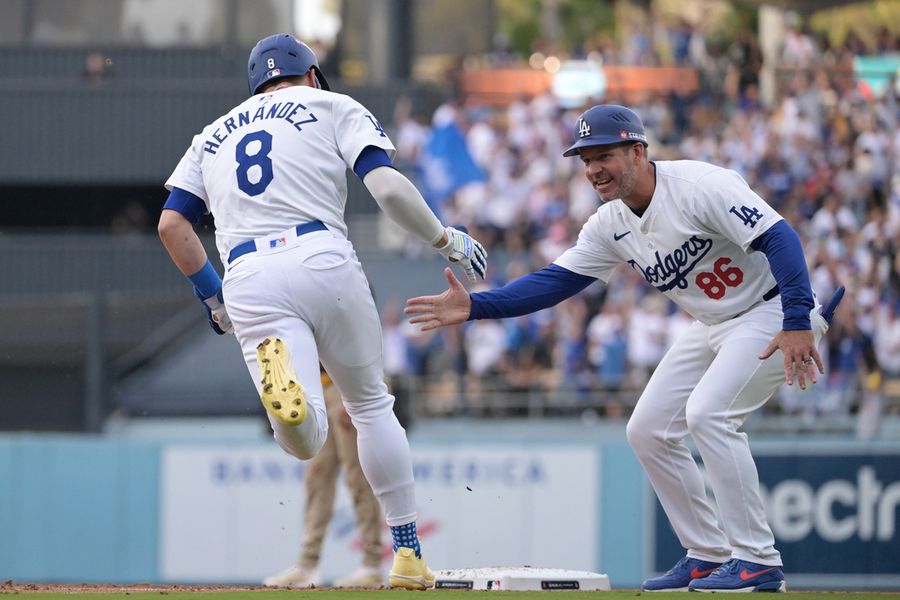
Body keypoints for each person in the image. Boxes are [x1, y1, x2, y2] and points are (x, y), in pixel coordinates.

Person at [406, 104, 841, 593]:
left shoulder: (698, 186)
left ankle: (759, 561)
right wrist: (477, 308)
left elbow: (779, 237)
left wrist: (797, 318)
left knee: (709, 415)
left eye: (603, 155)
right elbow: (556, 281)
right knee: (648, 429)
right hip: (714, 322)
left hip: (771, 310)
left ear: (638, 151)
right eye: (585, 159)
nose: (593, 169)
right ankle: (707, 553)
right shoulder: (609, 223)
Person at [158, 33, 487, 591]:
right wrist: (445, 239)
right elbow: (386, 187)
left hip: (247, 275)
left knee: (303, 440)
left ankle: (291, 402)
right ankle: (406, 556)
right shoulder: (333, 105)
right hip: (321, 255)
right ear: (311, 75)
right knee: (370, 407)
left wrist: (213, 300)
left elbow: (172, 225)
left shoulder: (211, 135)